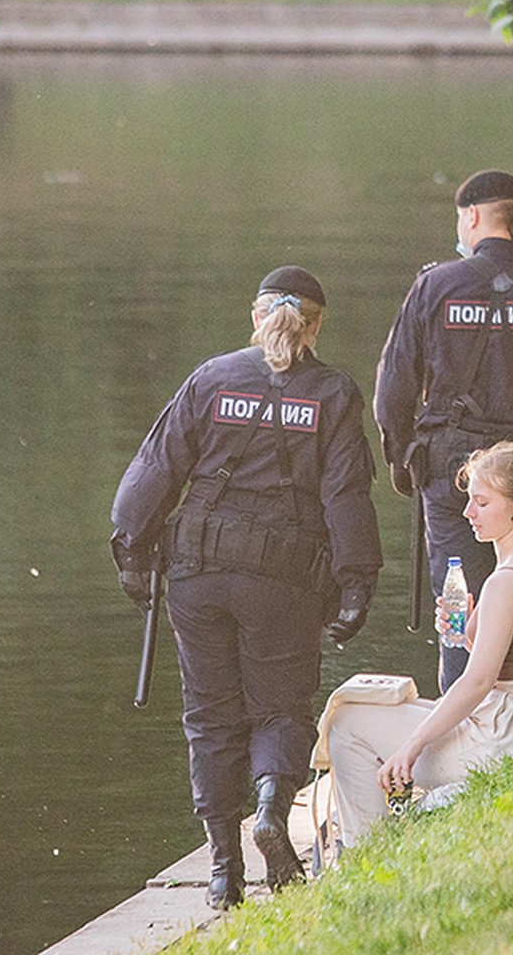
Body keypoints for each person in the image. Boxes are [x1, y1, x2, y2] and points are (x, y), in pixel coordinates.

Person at [110, 266, 382, 911]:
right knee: (281, 709)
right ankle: (269, 808)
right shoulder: (334, 393)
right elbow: (345, 494)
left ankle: (223, 867)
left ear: (256, 317)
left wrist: (130, 550)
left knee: (210, 715)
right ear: (315, 325)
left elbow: (157, 467)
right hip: (283, 580)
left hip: (198, 575)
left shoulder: (211, 378)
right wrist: (356, 582)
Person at [374, 170, 513, 692]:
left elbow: (394, 386)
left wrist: (403, 455)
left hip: (451, 469)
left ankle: (458, 703)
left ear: (472, 217)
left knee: (457, 598)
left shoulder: (433, 287)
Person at [321, 442, 513, 844]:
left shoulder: (507, 580)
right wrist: (471, 629)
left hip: (500, 740)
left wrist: (410, 748)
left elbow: (478, 682)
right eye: (470, 501)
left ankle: (364, 847)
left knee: (346, 724)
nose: (468, 513)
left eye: (482, 503)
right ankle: (374, 837)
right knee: (375, 709)